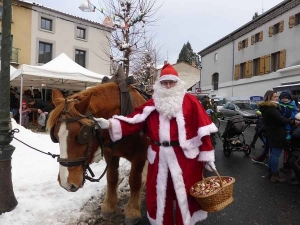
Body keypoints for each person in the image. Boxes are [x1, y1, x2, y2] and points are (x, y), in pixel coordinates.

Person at [94, 64, 218, 225]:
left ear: (177, 83)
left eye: (171, 82)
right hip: (159, 157)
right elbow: (134, 120)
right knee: (159, 196)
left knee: (185, 195)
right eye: (164, 83)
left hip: (185, 158)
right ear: (159, 85)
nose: (167, 86)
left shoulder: (191, 102)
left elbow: (203, 130)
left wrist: (207, 155)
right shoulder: (153, 103)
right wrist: (110, 124)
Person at [258, 90, 292, 182]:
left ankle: (270, 172)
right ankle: (275, 174)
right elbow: (281, 119)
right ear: (269, 97)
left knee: (273, 153)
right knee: (276, 154)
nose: (277, 98)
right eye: (274, 97)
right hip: (277, 133)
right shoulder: (271, 108)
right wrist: (290, 120)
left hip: (271, 132)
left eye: (277, 96)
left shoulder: (265, 107)